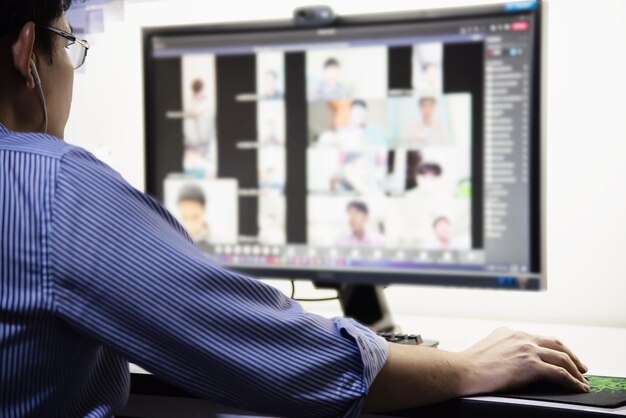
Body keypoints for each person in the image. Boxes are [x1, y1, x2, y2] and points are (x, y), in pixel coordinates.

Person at [0, 2, 590, 417]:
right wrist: (469, 366)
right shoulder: (57, 188)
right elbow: (283, 357)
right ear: (29, 52)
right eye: (70, 43)